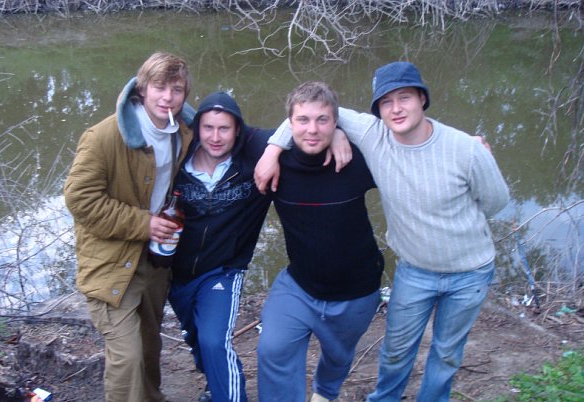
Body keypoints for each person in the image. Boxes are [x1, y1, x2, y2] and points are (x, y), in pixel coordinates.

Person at [255, 62, 510, 402]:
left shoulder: (464, 149)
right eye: (386, 102)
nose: (396, 108)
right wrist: (273, 148)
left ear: (422, 99)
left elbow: (495, 202)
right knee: (395, 353)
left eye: (405, 98)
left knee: (447, 354)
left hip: (470, 272)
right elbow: (310, 113)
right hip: (414, 271)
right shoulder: (373, 136)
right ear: (378, 110)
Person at [64, 52, 195, 402]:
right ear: (142, 88)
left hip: (154, 261)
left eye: (177, 89)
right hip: (110, 262)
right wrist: (144, 224)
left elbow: (234, 135)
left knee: (149, 348)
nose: (167, 97)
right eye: (159, 87)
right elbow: (80, 200)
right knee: (128, 357)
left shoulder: (185, 131)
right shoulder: (103, 137)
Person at [256, 81, 385, 402]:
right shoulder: (273, 160)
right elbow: (215, 128)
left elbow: (410, 141)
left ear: (336, 121)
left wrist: (469, 146)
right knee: (273, 348)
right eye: (302, 120)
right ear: (289, 123)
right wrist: (272, 149)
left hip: (358, 291)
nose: (312, 130)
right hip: (299, 286)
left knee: (339, 356)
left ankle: (325, 393)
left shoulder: (358, 159)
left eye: (323, 120)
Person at [167, 91, 274, 402]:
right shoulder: (177, 162)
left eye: (224, 128)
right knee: (197, 338)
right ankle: (215, 383)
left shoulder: (252, 164)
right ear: (197, 128)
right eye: (208, 128)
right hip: (176, 273)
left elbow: (301, 129)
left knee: (214, 340)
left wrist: (335, 136)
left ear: (237, 130)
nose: (215, 137)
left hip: (223, 271)